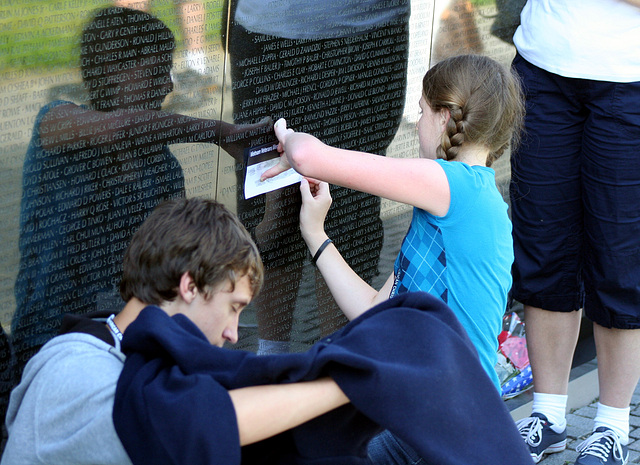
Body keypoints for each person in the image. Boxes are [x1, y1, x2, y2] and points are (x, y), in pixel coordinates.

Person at [262, 53, 525, 464]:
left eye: (420, 112)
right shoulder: (449, 206)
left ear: (444, 116)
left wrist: (283, 134)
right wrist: (316, 235)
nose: (417, 123)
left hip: (452, 425)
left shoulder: (457, 187)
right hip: (426, 416)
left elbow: (311, 159)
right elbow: (372, 310)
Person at [12, 6, 271, 380]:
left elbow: (181, 263)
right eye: (156, 71)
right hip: (52, 340)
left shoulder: (163, 168)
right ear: (113, 70)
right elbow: (117, 129)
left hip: (133, 343)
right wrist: (219, 132)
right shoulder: (55, 121)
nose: (168, 86)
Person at [2, 197, 351, 464]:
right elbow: (192, 424)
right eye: (233, 308)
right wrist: (350, 381)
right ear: (189, 286)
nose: (232, 333)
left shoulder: (119, 348)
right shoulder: (77, 372)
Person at [227, 0, 411, 353]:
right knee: (268, 201)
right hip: (264, 27)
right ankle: (271, 358)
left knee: (348, 209)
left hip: (364, 33)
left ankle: (338, 364)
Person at [508, 1, 640, 464]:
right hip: (543, 67)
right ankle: (547, 416)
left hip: (630, 80)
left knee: (620, 258)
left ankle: (612, 426)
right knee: (543, 247)